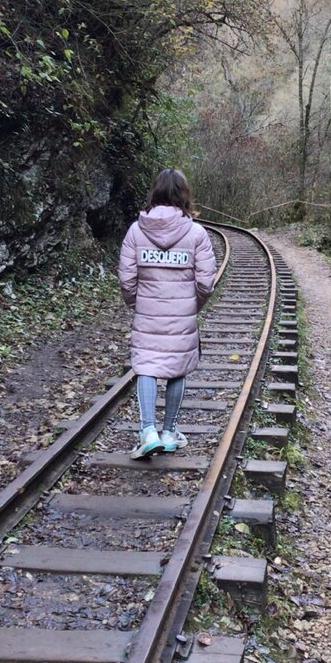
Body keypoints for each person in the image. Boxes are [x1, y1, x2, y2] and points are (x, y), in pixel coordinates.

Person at [118, 169, 217, 459]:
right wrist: (192, 306)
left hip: (147, 311)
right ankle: (170, 432)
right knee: (177, 367)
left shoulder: (136, 231)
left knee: (147, 365)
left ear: (155, 193)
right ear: (184, 195)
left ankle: (148, 432)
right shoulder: (196, 233)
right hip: (182, 313)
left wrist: (138, 303)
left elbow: (126, 279)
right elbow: (206, 283)